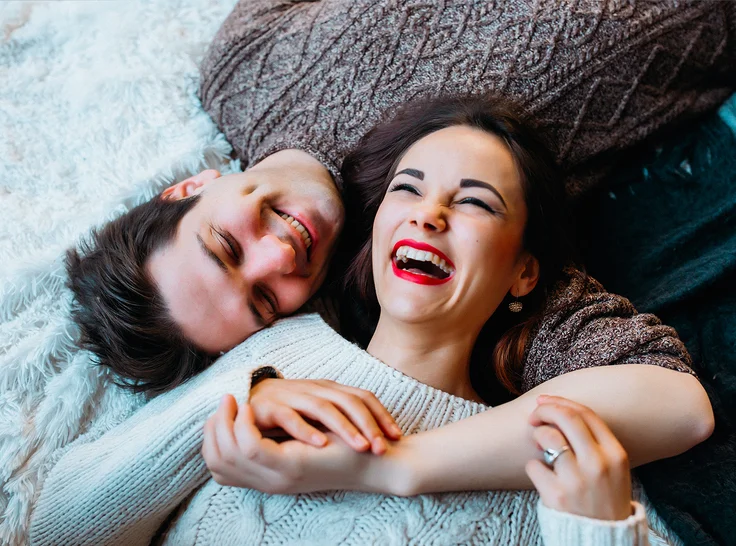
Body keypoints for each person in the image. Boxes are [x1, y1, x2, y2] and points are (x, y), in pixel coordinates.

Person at [29, 95, 713, 545]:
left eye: (476, 202)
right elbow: (59, 530)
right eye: (406, 190)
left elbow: (679, 407)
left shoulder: (553, 471)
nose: (429, 214)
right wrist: (235, 398)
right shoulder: (275, 355)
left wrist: (595, 535)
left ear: (524, 273)